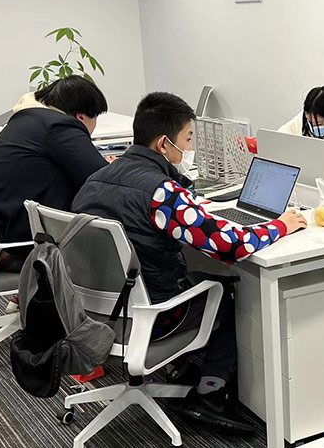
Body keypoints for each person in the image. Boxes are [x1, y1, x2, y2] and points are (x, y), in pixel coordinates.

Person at [72, 92, 307, 433]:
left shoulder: (95, 179)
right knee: (225, 290)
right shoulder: (161, 192)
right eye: (187, 139)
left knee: (193, 273)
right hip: (152, 315)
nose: (189, 148)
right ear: (164, 143)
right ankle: (211, 394)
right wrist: (281, 225)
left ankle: (178, 368)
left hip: (96, 313)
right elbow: (232, 247)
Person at [0, 76, 109, 291]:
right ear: (80, 117)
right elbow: (102, 180)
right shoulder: (59, 125)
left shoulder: (24, 119)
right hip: (24, 247)